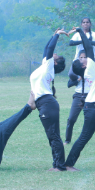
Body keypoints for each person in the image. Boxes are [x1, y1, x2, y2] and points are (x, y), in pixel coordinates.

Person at [63, 26, 95, 171]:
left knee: (84, 136)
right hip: (93, 107)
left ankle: (68, 163)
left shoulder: (89, 70)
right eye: (82, 59)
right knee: (84, 137)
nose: (85, 58)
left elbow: (88, 48)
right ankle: (68, 163)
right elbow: (88, 47)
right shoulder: (90, 69)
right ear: (83, 66)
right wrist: (80, 31)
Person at [29, 28, 67, 171]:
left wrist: (57, 35)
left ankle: (59, 166)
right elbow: (47, 48)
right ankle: (56, 164)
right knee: (52, 136)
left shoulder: (49, 66)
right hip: (44, 104)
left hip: (47, 103)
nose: (54, 54)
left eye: (56, 56)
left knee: (53, 136)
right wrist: (54, 34)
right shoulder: (46, 64)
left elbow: (50, 49)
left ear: (55, 62)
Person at [65, 52, 95, 146]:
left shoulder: (92, 70)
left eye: (84, 57)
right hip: (78, 95)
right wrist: (78, 79)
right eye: (81, 57)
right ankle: (67, 140)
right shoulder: (77, 71)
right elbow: (69, 84)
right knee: (71, 119)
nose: (82, 59)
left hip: (90, 95)